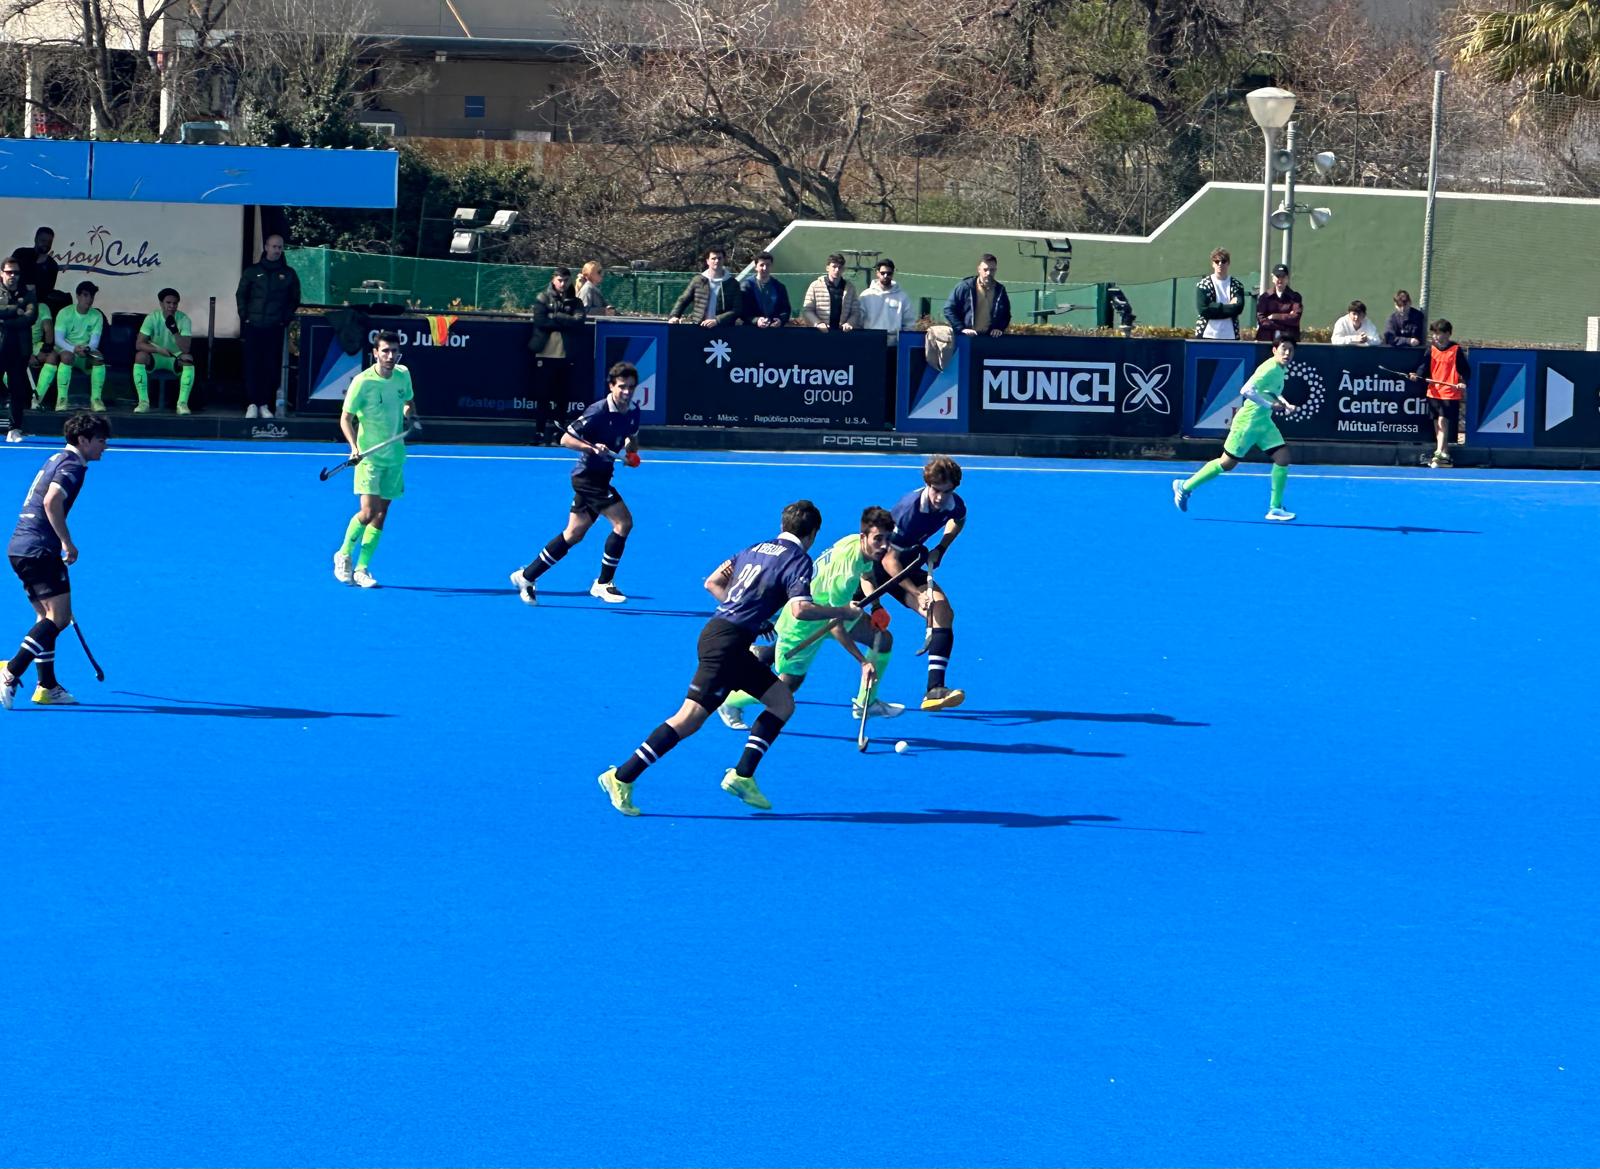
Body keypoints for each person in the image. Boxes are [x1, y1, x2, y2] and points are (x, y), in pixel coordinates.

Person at [596, 499, 864, 817]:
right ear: (813, 533)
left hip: (723, 636)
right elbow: (800, 609)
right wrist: (843, 611)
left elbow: (713, 582)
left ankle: (743, 776)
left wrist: (749, 616)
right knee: (687, 719)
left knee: (782, 702)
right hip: (727, 646)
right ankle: (621, 777)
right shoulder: (799, 560)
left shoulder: (755, 548)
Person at [717, 506, 903, 731]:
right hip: (803, 624)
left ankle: (866, 702)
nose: (883, 545)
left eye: (887, 539)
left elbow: (866, 573)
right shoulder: (843, 576)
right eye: (878, 539)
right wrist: (863, 662)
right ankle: (730, 702)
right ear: (865, 536)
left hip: (833, 610)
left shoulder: (857, 543)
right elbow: (835, 626)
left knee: (882, 640)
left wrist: (876, 605)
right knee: (788, 686)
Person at [0, 412, 111, 709]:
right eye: (101, 440)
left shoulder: (56, 458)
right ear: (83, 440)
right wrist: (67, 542)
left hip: (19, 547)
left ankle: (47, 686)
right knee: (59, 618)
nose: (105, 446)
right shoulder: (74, 465)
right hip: (39, 549)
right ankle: (11, 670)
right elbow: (51, 501)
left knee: (45, 619)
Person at [509, 361, 642, 606]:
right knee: (623, 523)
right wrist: (591, 448)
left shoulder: (633, 410)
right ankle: (603, 583)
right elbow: (565, 438)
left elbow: (631, 437)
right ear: (611, 386)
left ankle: (527, 576)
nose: (626, 392)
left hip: (602, 477)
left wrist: (631, 454)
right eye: (622, 387)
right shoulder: (598, 411)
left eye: (631, 387)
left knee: (573, 534)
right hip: (586, 478)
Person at [875, 455, 968, 712]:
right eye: (936, 490)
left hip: (908, 559)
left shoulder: (953, 503)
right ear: (928, 484)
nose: (940, 497)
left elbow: (958, 520)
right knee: (832, 619)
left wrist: (942, 548)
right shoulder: (909, 511)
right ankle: (768, 655)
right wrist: (916, 592)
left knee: (942, 611)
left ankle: (934, 690)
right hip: (875, 569)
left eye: (946, 491)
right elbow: (888, 562)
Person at [1172, 338, 1301, 521]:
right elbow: (1246, 390)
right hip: (1247, 424)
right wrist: (1269, 405)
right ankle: (1185, 486)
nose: (1287, 353)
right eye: (1284, 349)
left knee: (1283, 457)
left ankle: (1275, 508)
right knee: (1227, 463)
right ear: (1274, 350)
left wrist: (1285, 404)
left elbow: (1271, 390)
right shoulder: (1269, 368)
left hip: (1264, 424)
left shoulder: (1280, 369)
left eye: (1290, 350)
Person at [332, 330, 418, 589]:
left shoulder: (403, 375)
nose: (390, 356)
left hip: (395, 456)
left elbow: (408, 402)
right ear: (375, 353)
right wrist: (354, 447)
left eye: (394, 351)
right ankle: (344, 553)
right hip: (368, 458)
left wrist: (409, 414)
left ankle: (362, 568)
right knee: (368, 512)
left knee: (381, 514)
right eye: (385, 351)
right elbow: (345, 419)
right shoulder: (362, 382)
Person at [236, 233, 302, 419]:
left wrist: (284, 319)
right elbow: (241, 294)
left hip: (274, 326)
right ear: (266, 247)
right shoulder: (253, 271)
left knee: (271, 367)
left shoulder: (288, 274)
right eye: (273, 246)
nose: (276, 250)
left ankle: (265, 404)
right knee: (251, 365)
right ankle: (251, 404)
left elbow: (294, 299)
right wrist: (245, 316)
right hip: (254, 325)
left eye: (280, 247)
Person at [529, 267, 587, 443]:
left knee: (562, 397)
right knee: (542, 396)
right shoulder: (542, 298)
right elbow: (540, 321)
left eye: (565, 280)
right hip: (544, 355)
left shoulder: (575, 302)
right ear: (553, 280)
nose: (562, 284)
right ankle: (539, 433)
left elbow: (578, 322)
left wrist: (556, 316)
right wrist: (563, 321)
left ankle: (558, 434)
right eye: (559, 280)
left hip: (565, 356)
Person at [1409, 318, 1469, 469]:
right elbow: (1424, 366)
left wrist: (1463, 382)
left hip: (1449, 393)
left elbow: (1466, 370)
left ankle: (1438, 452)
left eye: (1439, 333)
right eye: (1434, 333)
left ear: (1448, 334)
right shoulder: (1432, 349)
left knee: (1443, 421)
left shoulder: (1456, 350)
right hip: (1433, 391)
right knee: (1437, 422)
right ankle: (1445, 453)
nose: (1435, 336)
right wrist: (1417, 374)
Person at [133, 287, 196, 415]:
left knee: (188, 359)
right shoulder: (152, 318)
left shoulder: (184, 319)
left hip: (174, 357)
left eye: (175, 303)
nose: (172, 306)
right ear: (161, 303)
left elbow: (186, 348)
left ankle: (182, 404)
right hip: (156, 356)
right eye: (168, 303)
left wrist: (174, 330)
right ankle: (143, 402)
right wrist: (157, 349)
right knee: (140, 357)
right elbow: (139, 344)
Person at [52, 281, 106, 414]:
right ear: (78, 296)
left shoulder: (97, 315)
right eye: (85, 295)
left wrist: (87, 349)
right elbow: (58, 339)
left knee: (99, 358)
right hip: (66, 349)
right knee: (67, 356)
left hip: (84, 351)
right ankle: (62, 399)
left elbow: (94, 342)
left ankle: (96, 400)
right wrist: (73, 349)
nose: (89, 299)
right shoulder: (64, 313)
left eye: (91, 296)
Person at [0, 257, 38, 443]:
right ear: (1, 273)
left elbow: (30, 318)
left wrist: (5, 320)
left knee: (17, 390)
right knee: (7, 390)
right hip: (0, 348)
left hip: (19, 350)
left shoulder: (29, 293)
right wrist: (16, 309)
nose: (13, 276)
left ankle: (14, 429)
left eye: (16, 272)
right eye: (9, 272)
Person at [668, 247, 742, 327]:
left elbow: (737, 309)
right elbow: (683, 300)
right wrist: (674, 316)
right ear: (707, 261)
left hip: (723, 328)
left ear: (724, 260)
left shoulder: (733, 283)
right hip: (699, 327)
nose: (717, 261)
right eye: (713, 258)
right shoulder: (698, 280)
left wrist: (717, 320)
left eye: (719, 258)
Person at [944, 254, 1010, 337]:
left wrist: (999, 328)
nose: (989, 273)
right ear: (979, 269)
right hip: (966, 337)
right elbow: (949, 309)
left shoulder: (1000, 290)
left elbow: (1006, 314)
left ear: (996, 270)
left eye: (992, 270)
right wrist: (961, 328)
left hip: (989, 339)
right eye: (985, 269)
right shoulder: (965, 286)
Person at [859, 257, 916, 343]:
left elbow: (909, 323)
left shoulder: (902, 297)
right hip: (870, 341)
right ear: (877, 273)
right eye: (883, 273)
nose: (885, 276)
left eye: (889, 273)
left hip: (894, 344)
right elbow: (858, 320)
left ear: (892, 274)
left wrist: (903, 342)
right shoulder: (866, 295)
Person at [802, 253, 863, 332]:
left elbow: (856, 312)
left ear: (843, 269)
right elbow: (807, 310)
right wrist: (818, 323)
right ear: (827, 268)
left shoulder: (850, 288)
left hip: (842, 333)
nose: (837, 270)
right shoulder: (815, 285)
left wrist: (849, 323)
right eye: (834, 267)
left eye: (840, 267)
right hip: (819, 332)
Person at [1194, 247, 1247, 339]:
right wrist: (1230, 306)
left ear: (1228, 263)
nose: (1220, 264)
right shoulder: (1203, 284)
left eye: (1223, 261)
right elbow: (1203, 310)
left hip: (1230, 335)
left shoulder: (1237, 285)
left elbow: (1238, 308)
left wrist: (1214, 307)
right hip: (1207, 334)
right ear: (1212, 264)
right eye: (1216, 261)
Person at [13, 227, 62, 313]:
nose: (46, 244)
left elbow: (47, 291)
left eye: (49, 242)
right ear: (36, 239)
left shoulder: (52, 265)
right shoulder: (20, 254)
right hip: (13, 301)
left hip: (36, 307)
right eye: (43, 241)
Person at [740, 252, 792, 327]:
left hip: (773, 331)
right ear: (756, 267)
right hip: (750, 330)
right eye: (762, 265)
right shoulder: (746, 286)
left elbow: (786, 309)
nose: (765, 268)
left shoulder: (779, 287)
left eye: (768, 265)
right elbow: (742, 310)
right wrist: (756, 320)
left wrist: (780, 320)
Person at [26, 290, 58, 412]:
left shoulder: (42, 307)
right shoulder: (11, 305)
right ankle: (13, 395)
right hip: (15, 345)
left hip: (35, 345)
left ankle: (37, 398)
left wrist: (45, 349)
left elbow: (48, 329)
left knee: (52, 356)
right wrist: (26, 355)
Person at [1255, 263, 1303, 344]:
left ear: (1287, 278)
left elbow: (1295, 318)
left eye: (1283, 277)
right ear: (1272, 278)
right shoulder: (1265, 297)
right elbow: (1261, 320)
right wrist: (1284, 324)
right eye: (1277, 276)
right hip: (1266, 340)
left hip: (1288, 341)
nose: (1280, 280)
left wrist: (1273, 317)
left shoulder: (1295, 297)